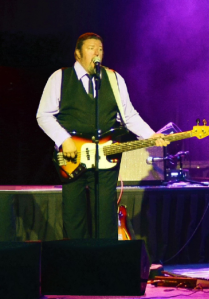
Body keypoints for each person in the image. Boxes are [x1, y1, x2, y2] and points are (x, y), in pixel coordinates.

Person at [36, 32, 168, 239]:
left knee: (106, 213)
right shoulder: (60, 77)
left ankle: (104, 262)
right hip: (73, 158)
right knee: (74, 214)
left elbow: (129, 116)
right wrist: (64, 139)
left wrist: (151, 135)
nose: (97, 52)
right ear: (78, 53)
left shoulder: (114, 79)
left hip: (107, 156)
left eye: (100, 49)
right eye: (91, 48)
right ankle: (76, 261)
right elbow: (43, 115)